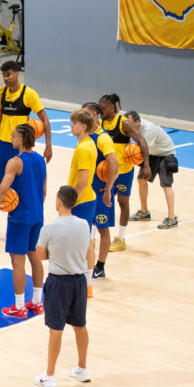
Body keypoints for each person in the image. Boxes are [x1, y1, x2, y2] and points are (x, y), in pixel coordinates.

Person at [0, 60, 52, 242]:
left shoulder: (29, 94)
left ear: (17, 73)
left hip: (21, 148)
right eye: (3, 75)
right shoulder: (1, 93)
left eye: (9, 74)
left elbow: (45, 120)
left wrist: (49, 145)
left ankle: (32, 224)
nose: (6, 78)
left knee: (22, 187)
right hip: (4, 145)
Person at [0, 123, 46, 319]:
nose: (11, 139)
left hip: (20, 218)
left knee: (17, 262)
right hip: (37, 215)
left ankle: (19, 307)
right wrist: (36, 210)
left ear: (21, 139)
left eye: (13, 136)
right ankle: (37, 302)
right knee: (34, 257)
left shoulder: (15, 162)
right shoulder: (41, 160)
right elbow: (43, 191)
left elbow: (1, 190)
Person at [33, 185, 94, 387]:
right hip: (79, 282)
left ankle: (49, 375)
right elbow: (87, 251)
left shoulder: (49, 228)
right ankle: (82, 369)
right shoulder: (84, 224)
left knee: (55, 330)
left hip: (58, 283)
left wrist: (55, 254)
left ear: (58, 202)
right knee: (80, 325)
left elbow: (40, 256)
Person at [98, 93, 150, 252]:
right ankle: (94, 236)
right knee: (101, 202)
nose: (100, 110)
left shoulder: (124, 124)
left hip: (124, 171)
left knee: (123, 202)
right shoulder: (100, 124)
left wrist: (146, 165)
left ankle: (120, 238)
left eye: (103, 107)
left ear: (112, 108)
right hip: (106, 171)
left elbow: (141, 140)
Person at [81, 102, 118, 280]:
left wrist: (109, 189)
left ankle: (100, 266)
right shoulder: (85, 134)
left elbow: (114, 163)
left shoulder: (103, 138)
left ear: (96, 115)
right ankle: (84, 263)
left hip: (101, 190)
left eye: (87, 113)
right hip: (87, 189)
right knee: (84, 228)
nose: (84, 117)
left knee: (103, 228)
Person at [124, 110, 178, 229]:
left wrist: (146, 166)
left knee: (166, 185)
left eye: (130, 123)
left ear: (138, 122)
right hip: (153, 153)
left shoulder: (148, 129)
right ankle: (144, 212)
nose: (128, 126)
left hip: (165, 154)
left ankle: (172, 218)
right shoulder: (130, 127)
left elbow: (143, 149)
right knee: (141, 180)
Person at [66, 109, 100, 298]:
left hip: (82, 200)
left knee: (83, 243)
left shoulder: (83, 148)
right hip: (86, 199)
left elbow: (83, 181)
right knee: (84, 242)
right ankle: (85, 283)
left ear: (84, 126)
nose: (71, 126)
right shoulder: (87, 144)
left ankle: (85, 284)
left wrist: (69, 203)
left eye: (74, 123)